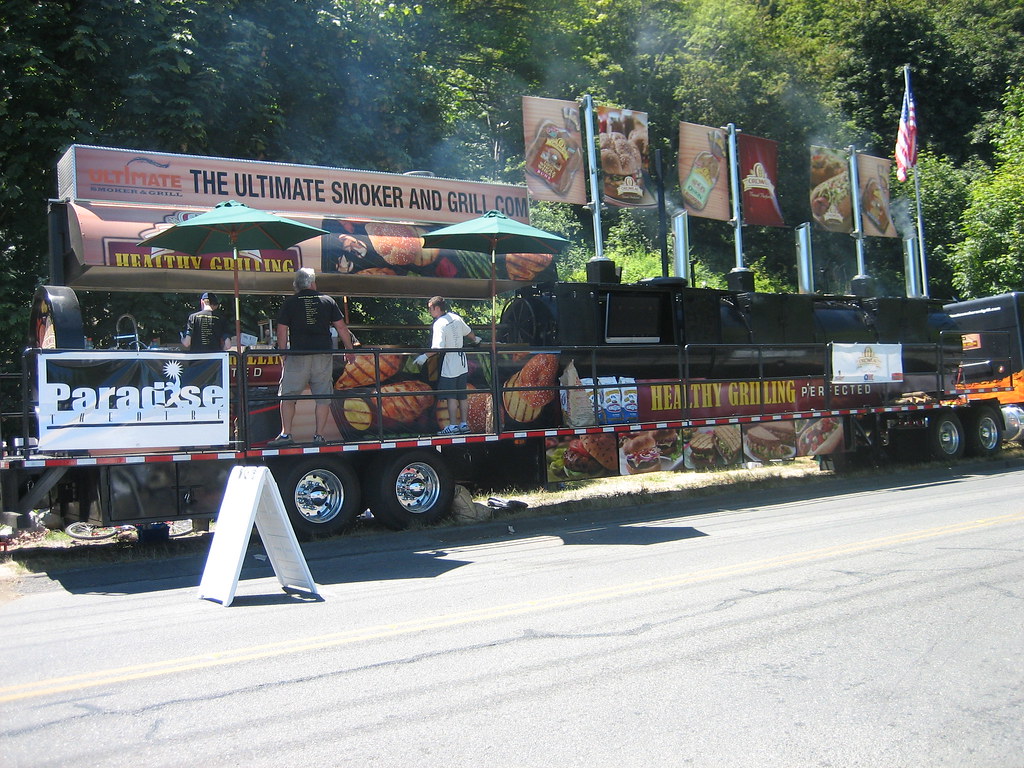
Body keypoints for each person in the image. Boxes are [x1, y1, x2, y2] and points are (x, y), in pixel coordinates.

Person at [269, 268, 355, 446]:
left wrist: (283, 353)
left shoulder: (290, 302)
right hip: (323, 355)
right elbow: (341, 327)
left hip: (298, 355)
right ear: (313, 283)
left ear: (297, 285)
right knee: (323, 395)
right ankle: (319, 436)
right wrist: (349, 349)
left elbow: (282, 330)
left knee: (288, 395)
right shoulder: (327, 301)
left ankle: (286, 435)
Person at [415, 296, 482, 435]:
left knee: (451, 396)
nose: (429, 311)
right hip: (462, 361)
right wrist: (475, 339)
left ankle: (452, 426)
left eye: (430, 308)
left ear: (437, 308)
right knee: (462, 395)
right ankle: (464, 424)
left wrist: (423, 357)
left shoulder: (439, 324)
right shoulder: (455, 317)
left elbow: (437, 348)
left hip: (450, 362)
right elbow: (468, 332)